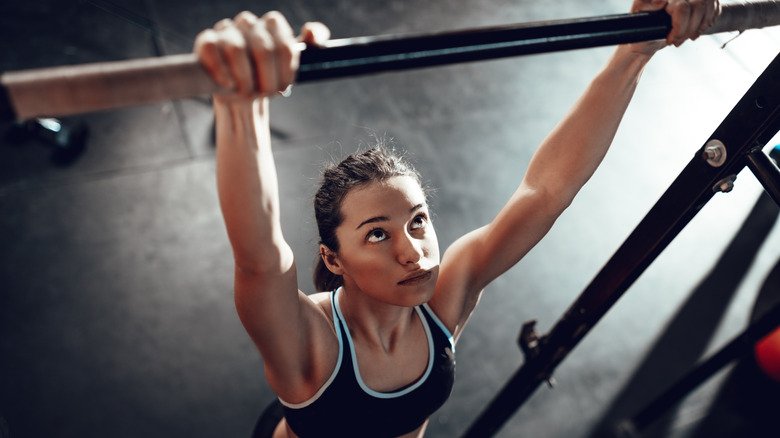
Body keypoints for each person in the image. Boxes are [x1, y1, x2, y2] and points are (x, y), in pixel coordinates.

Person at [194, 1, 721, 437]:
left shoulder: (447, 292)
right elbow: (260, 260)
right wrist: (243, 103)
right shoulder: (309, 342)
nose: (412, 251)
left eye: (417, 221)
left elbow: (547, 190)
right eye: (377, 234)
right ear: (333, 258)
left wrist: (633, 54)